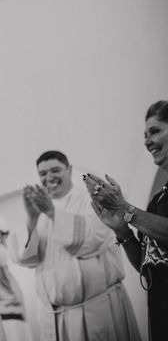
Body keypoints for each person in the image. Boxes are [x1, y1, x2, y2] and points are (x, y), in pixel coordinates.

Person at [12, 150, 140, 341]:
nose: (49, 178)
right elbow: (28, 260)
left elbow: (92, 240)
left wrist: (52, 212)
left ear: (69, 169)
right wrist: (31, 218)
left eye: (55, 170)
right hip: (56, 319)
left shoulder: (91, 200)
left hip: (97, 311)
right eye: (43, 174)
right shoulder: (39, 209)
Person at [85, 100, 168, 340]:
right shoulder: (158, 200)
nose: (147, 141)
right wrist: (123, 231)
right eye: (145, 135)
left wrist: (125, 207)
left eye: (155, 131)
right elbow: (148, 265)